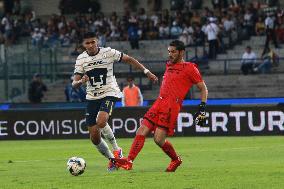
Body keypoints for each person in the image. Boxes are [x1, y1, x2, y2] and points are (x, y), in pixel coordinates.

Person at [115, 40, 208, 172]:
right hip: (159, 103)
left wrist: (202, 107)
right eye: (169, 51)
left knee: (158, 139)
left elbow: (203, 88)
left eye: (173, 52)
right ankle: (129, 161)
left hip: (171, 106)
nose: (170, 54)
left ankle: (175, 159)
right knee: (141, 130)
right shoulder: (169, 65)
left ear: (182, 52)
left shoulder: (190, 68)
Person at [72, 32, 158, 172]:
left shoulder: (108, 52)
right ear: (83, 45)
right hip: (92, 97)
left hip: (109, 93)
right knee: (94, 137)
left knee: (101, 121)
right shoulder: (81, 59)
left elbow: (129, 59)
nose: (91, 45)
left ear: (97, 41)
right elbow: (74, 84)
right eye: (87, 43)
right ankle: (113, 160)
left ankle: (117, 150)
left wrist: (146, 71)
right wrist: (81, 81)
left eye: (93, 42)